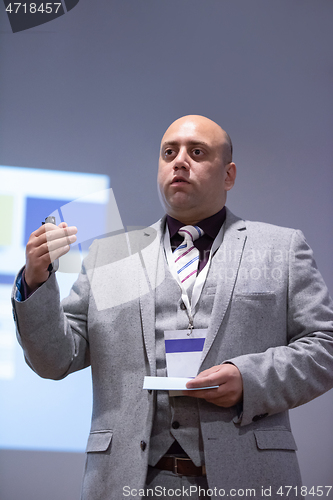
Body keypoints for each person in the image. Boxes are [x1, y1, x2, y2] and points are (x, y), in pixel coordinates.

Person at [12, 115, 333, 500]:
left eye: (197, 152)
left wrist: (249, 379)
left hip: (248, 477)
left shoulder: (280, 249)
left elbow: (324, 346)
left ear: (228, 175)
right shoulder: (111, 255)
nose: (180, 161)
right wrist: (36, 280)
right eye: (169, 153)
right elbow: (54, 360)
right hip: (128, 482)